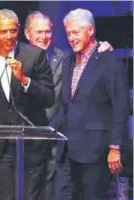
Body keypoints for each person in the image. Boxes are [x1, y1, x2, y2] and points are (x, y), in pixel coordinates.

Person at [23, 11, 114, 200]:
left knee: (54, 190)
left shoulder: (65, 59)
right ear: (27, 34)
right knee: (27, 191)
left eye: (48, 31)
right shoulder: (17, 60)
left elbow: (88, 60)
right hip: (25, 141)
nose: (44, 36)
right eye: (39, 32)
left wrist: (103, 47)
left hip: (56, 139)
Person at [0, 9, 54, 200]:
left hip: (31, 142)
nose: (9, 36)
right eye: (3, 32)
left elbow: (49, 97)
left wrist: (25, 80)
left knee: (30, 196)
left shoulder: (35, 56)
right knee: (6, 196)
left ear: (19, 30)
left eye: (13, 31)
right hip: (1, 144)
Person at [50, 8, 129, 200]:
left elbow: (121, 106)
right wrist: (48, 131)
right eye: (68, 33)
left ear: (91, 31)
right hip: (67, 149)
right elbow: (67, 104)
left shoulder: (110, 62)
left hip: (95, 151)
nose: (71, 38)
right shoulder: (68, 61)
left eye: (76, 32)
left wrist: (115, 147)